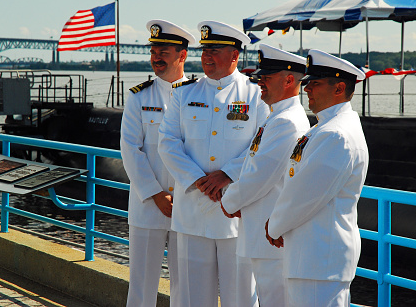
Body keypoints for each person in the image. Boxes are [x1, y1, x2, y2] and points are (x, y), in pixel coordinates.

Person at [158, 20, 268, 307]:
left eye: (215, 50)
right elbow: (167, 143)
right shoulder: (184, 93)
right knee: (193, 299)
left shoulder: (256, 95)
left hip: (236, 214)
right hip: (192, 214)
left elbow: (263, 144)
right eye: (204, 50)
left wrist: (227, 175)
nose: (207, 57)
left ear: (234, 55)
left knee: (241, 298)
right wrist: (197, 179)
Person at [266, 49, 369, 307]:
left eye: (316, 83)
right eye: (308, 83)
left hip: (319, 259)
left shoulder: (336, 135)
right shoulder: (325, 128)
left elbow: (304, 196)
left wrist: (274, 225)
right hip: (312, 257)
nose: (307, 89)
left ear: (339, 88)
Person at [220, 43, 310, 306]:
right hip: (262, 233)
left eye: (267, 78)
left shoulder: (286, 122)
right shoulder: (277, 117)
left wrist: (229, 201)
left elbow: (260, 176)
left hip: (270, 237)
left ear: (289, 80)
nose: (260, 83)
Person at [120, 19, 195, 307]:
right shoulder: (139, 97)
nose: (156, 57)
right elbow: (130, 148)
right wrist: (155, 193)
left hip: (186, 204)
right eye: (154, 51)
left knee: (185, 286)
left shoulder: (198, 96)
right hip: (147, 205)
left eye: (164, 51)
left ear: (182, 55)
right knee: (141, 286)